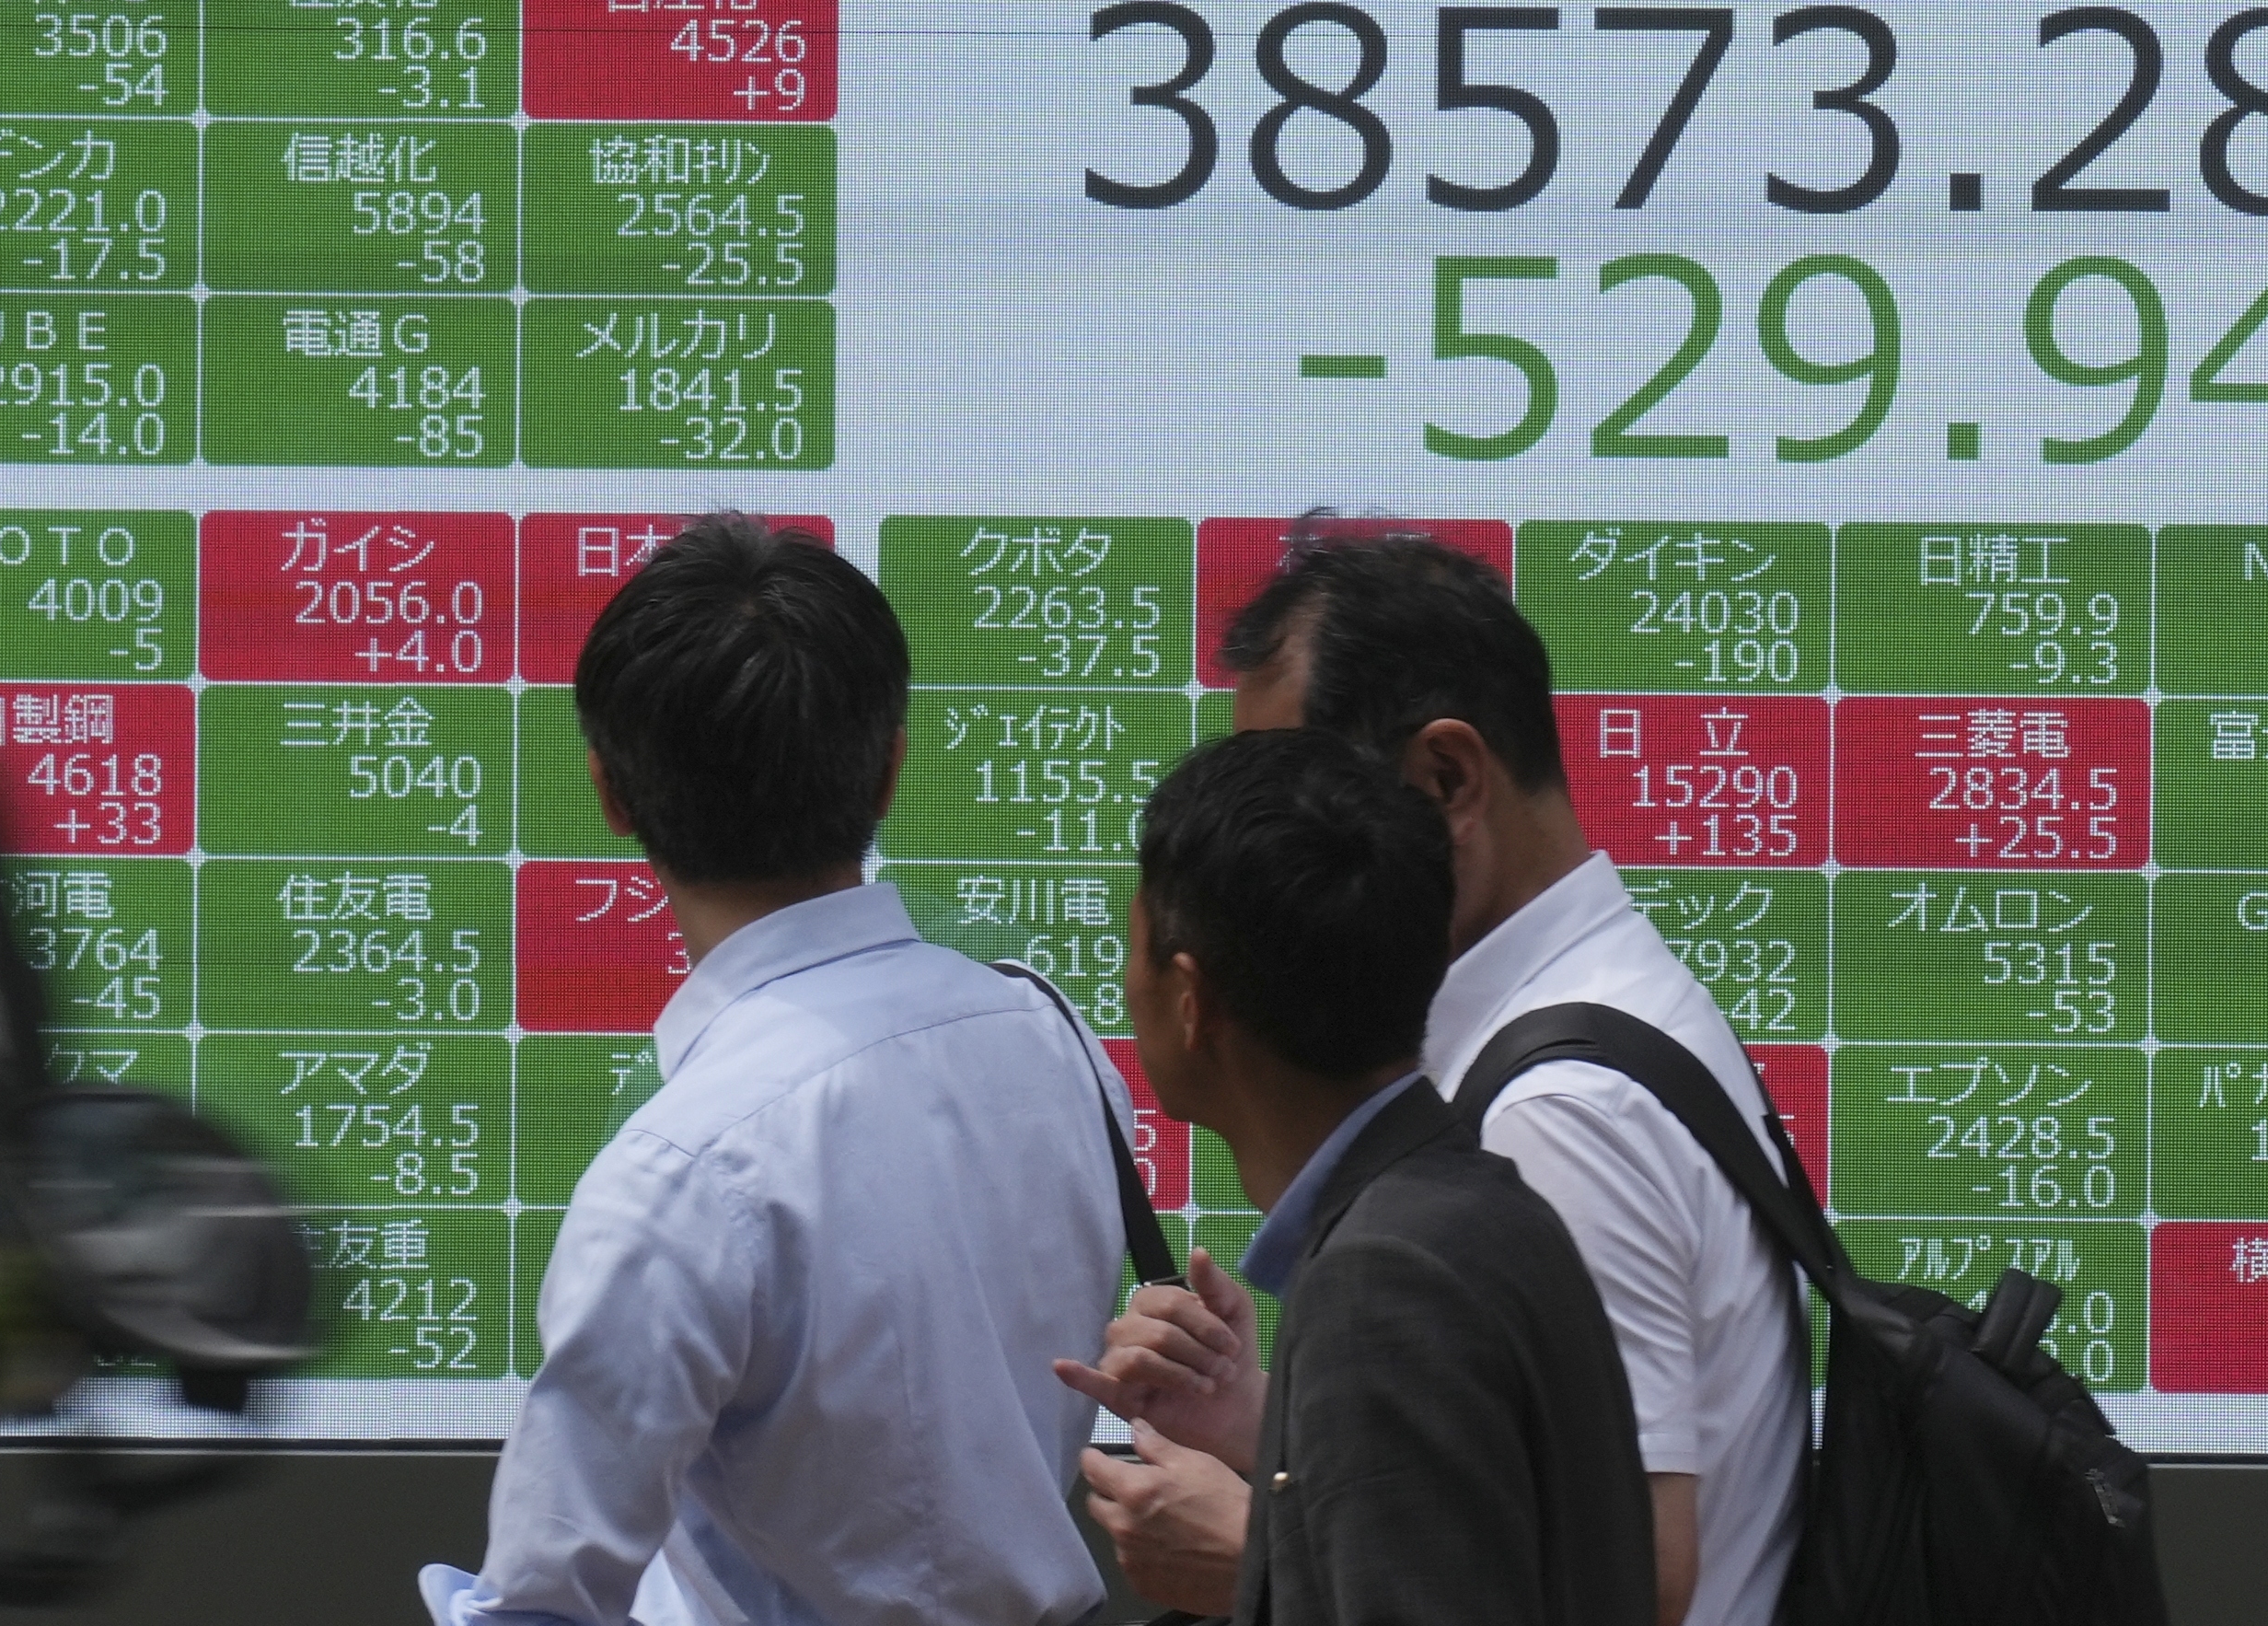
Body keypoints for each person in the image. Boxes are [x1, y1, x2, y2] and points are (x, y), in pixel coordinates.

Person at [1068, 529, 1804, 1626]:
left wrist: (1252, 1553)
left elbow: (1635, 1574)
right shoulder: (1586, 1019)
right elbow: (1504, 1465)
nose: (1266, 842)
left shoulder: (1558, 1109)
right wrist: (1263, 1418)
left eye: (1306, 790)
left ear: (1447, 776)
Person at [421, 515, 1129, 1626]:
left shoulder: (678, 1172)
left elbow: (542, 1604)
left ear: (610, 793)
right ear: (889, 766)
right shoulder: (1054, 1040)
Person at [1064, 727, 1655, 1625]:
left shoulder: (1381, 1277)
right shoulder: (1475, 1207)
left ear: (1192, 1001)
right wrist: (1259, 1423)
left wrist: (1251, 1572)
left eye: (1133, 948)